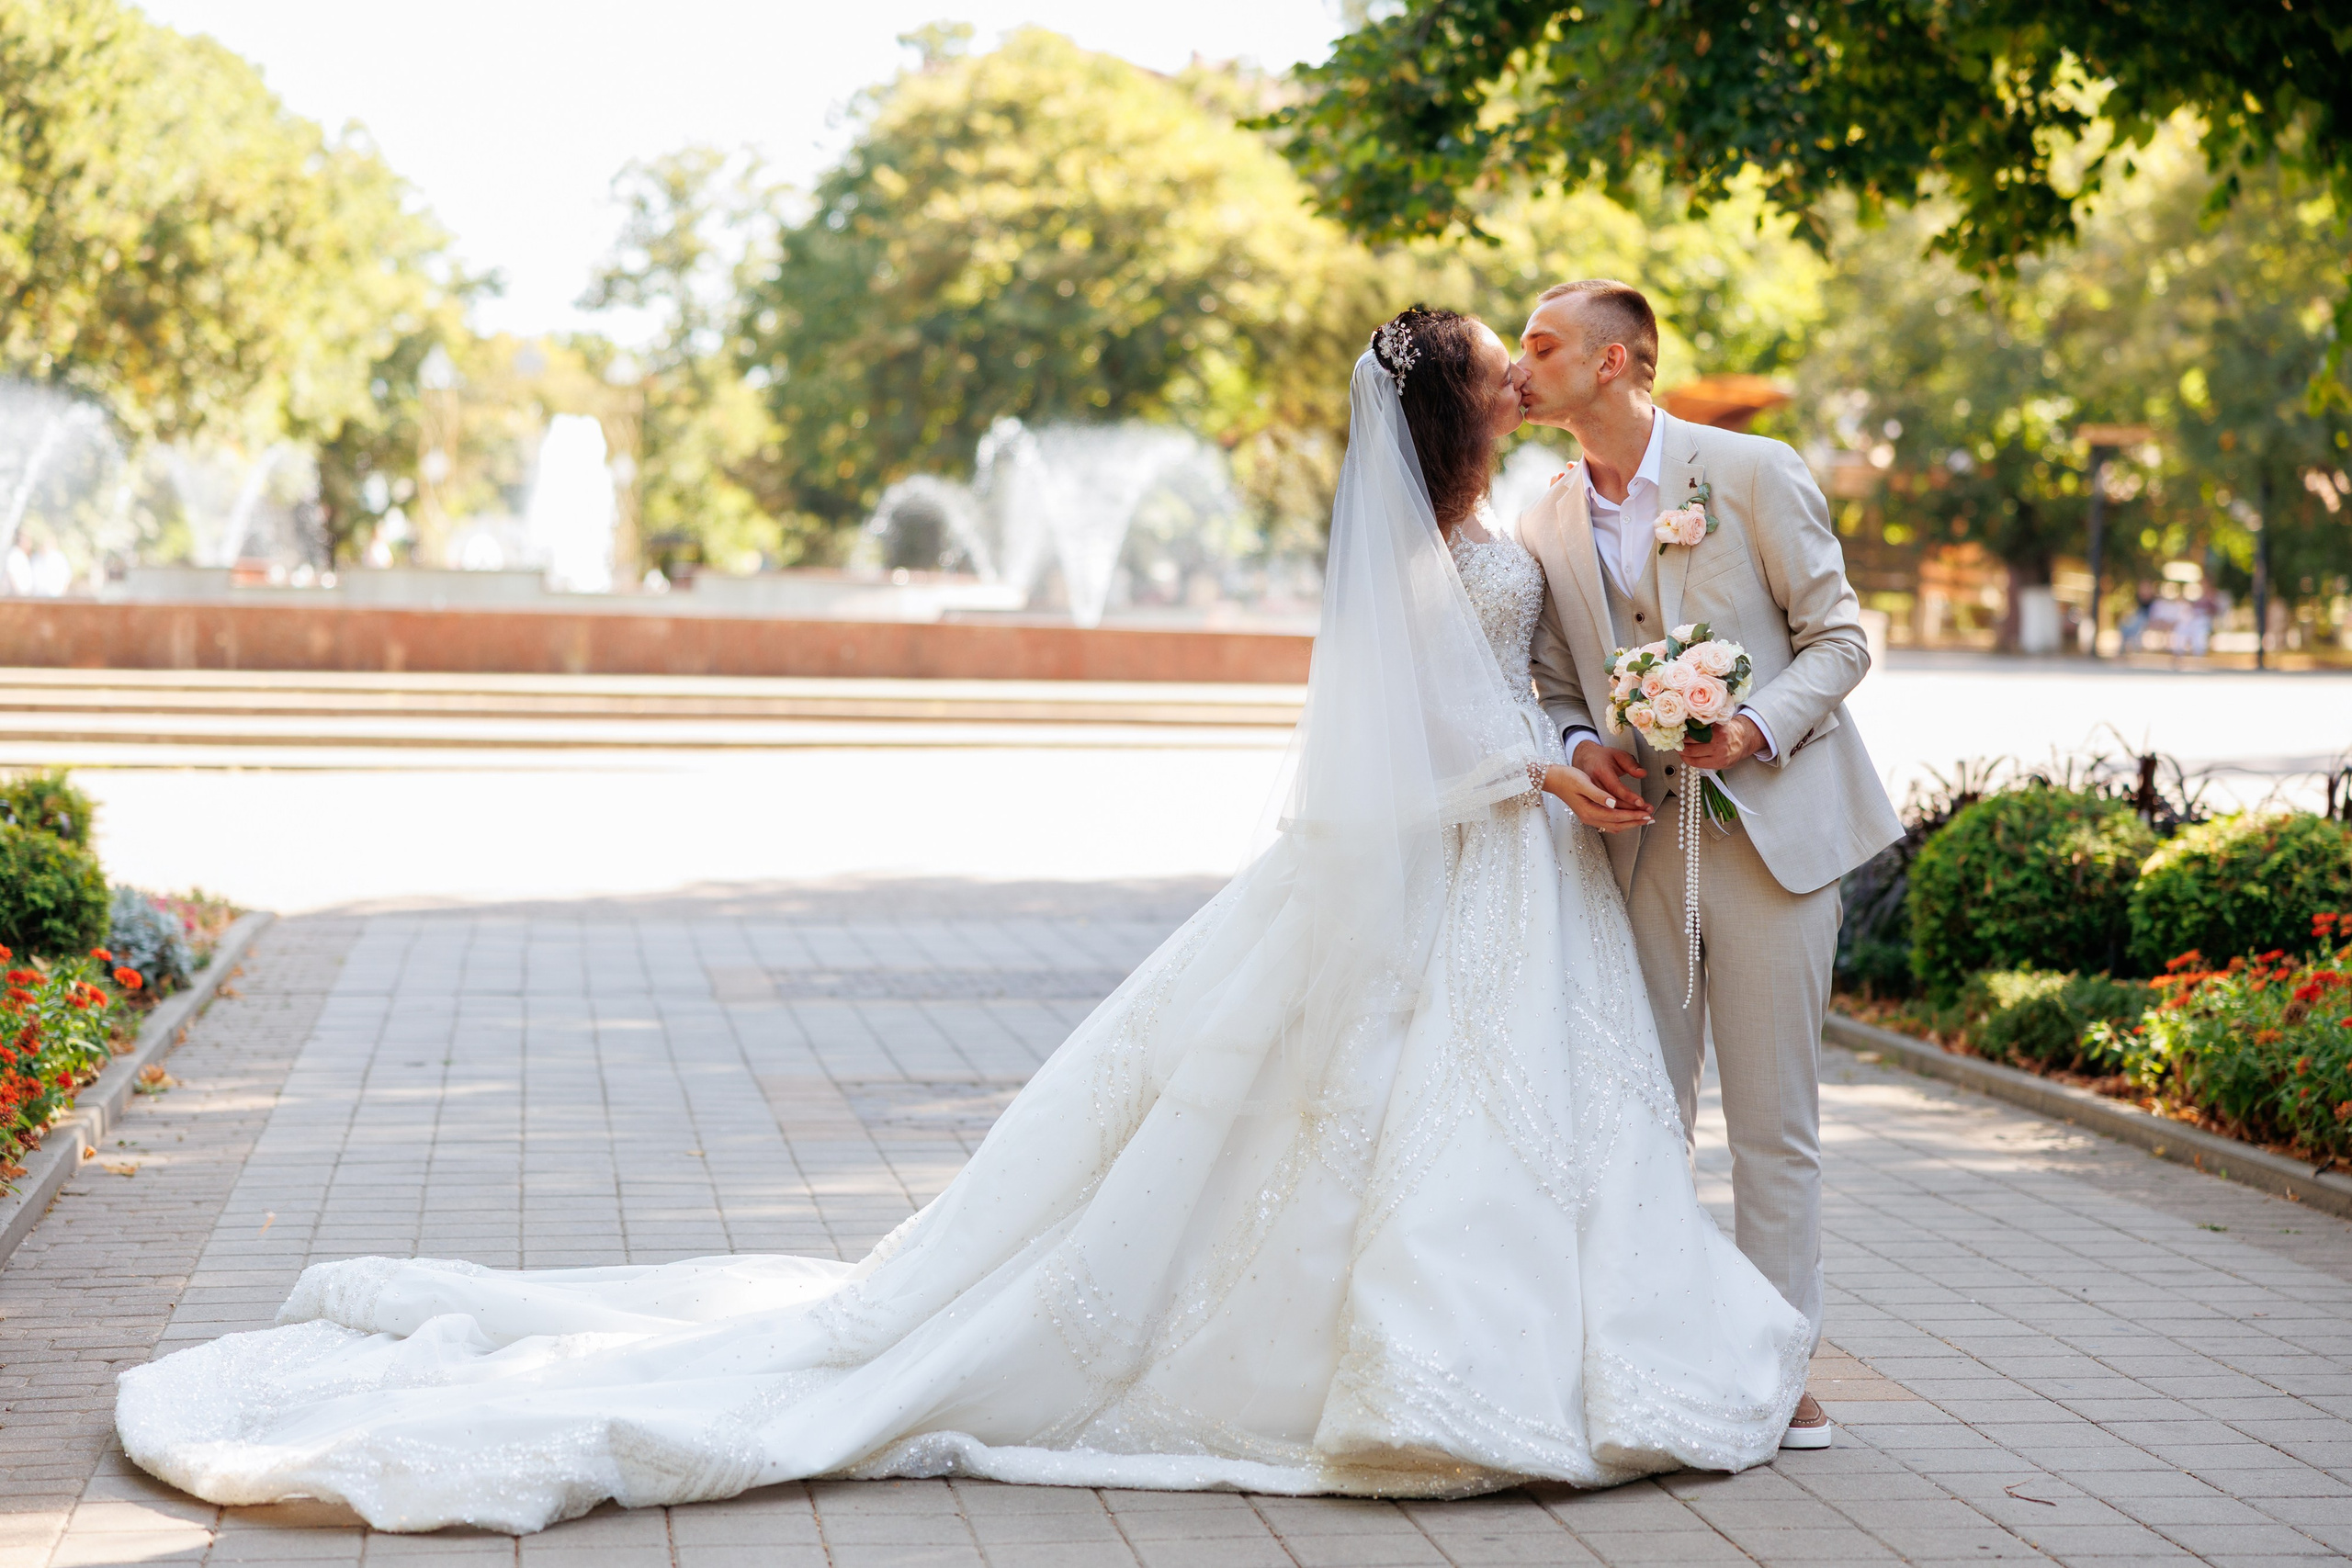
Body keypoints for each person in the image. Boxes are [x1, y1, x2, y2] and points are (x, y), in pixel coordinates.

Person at [116, 308, 1809, 1534]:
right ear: (1451, 412)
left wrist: (1578, 746)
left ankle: (1570, 1350)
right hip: (1451, 853)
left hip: (1523, 866)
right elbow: (1399, 743)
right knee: (1380, 1119)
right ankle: (1417, 1371)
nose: (1519, 375)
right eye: (1498, 365)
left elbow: (1526, 681)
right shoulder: (1403, 549)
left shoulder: (1514, 521)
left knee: (1524, 1121)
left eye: (1529, 356)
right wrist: (1537, 771)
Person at [1510, 280, 1904, 1450]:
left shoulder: (1749, 472)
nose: (1519, 366)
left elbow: (1840, 639)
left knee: (1773, 1127)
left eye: (1542, 345)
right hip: (1633, 848)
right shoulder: (1543, 517)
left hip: (1771, 840)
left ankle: (1779, 1371)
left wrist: (1753, 726)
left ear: (1614, 362)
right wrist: (1578, 746)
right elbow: (1554, 683)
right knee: (1641, 1117)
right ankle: (1661, 1355)